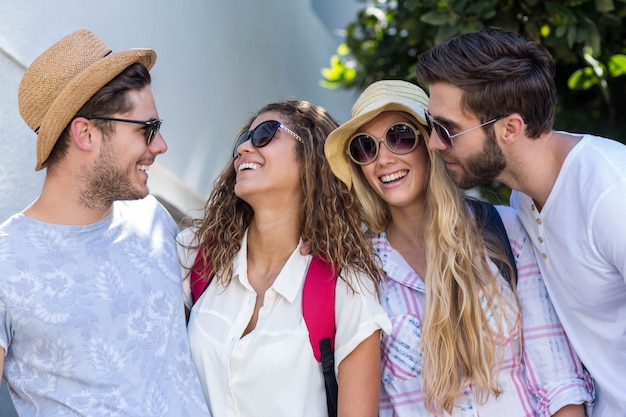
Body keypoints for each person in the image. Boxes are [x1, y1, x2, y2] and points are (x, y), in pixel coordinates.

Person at [324, 79, 594, 416]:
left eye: (400, 137)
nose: (383, 159)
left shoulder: (505, 230)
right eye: (365, 147)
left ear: (430, 144)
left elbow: (560, 383)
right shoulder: (360, 271)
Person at [415, 26, 626, 417]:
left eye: (448, 129)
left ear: (510, 128)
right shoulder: (523, 198)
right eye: (431, 125)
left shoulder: (611, 194)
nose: (433, 143)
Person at [0, 29, 211, 416]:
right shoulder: (5, 260)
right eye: (146, 129)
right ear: (86, 133)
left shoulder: (155, 220)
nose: (160, 146)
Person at [177, 99, 392, 417]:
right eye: (243, 139)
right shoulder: (194, 253)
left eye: (265, 134)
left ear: (312, 158)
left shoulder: (345, 285)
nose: (244, 148)